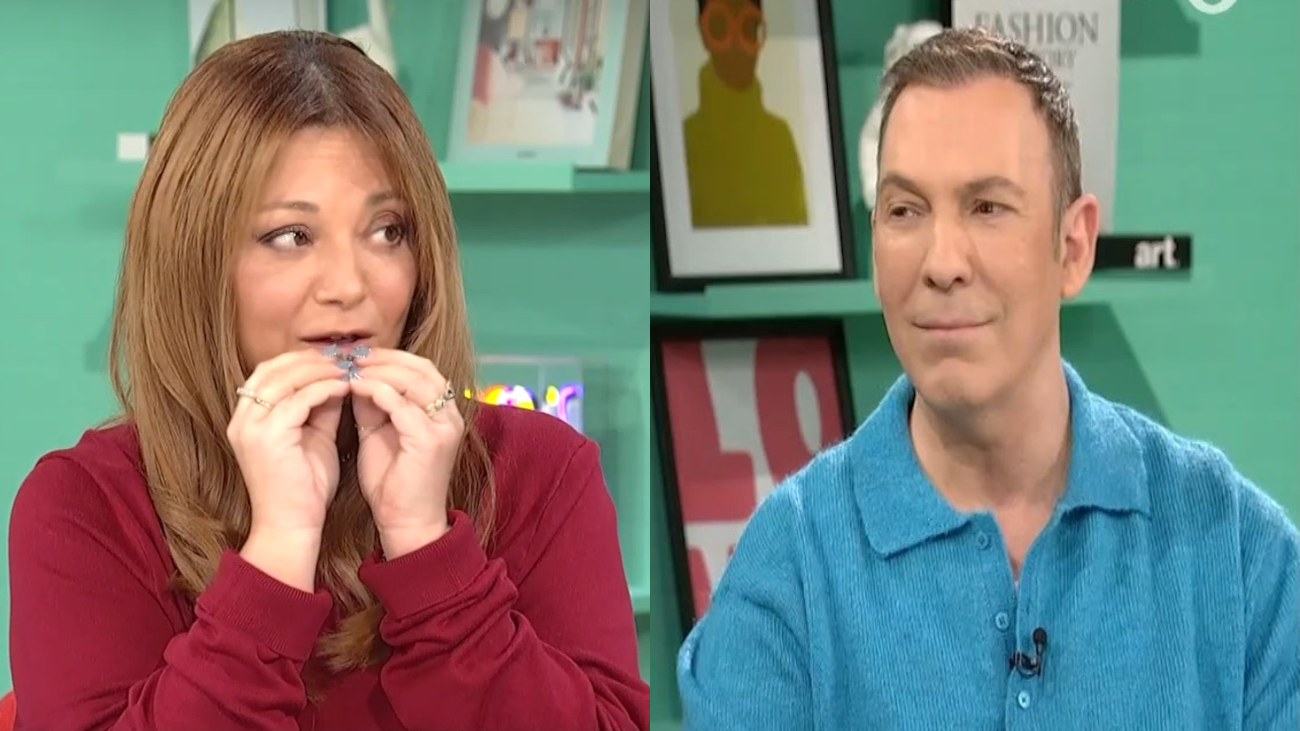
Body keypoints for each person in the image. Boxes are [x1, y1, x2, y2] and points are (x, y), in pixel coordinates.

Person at [8, 30, 649, 731]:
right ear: (196, 261)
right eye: (291, 236)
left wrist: (428, 550)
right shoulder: (83, 508)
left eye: (388, 231)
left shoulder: (543, 471)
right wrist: (275, 556)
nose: (349, 286)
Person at [675, 27, 1299, 730]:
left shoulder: (1236, 550)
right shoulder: (790, 565)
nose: (942, 263)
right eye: (905, 211)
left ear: (1073, 246)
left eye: (987, 207)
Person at [683, 0, 807, 228]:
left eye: (748, 28)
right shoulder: (686, 142)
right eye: (720, 27)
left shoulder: (778, 138)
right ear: (703, 34)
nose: (736, 44)